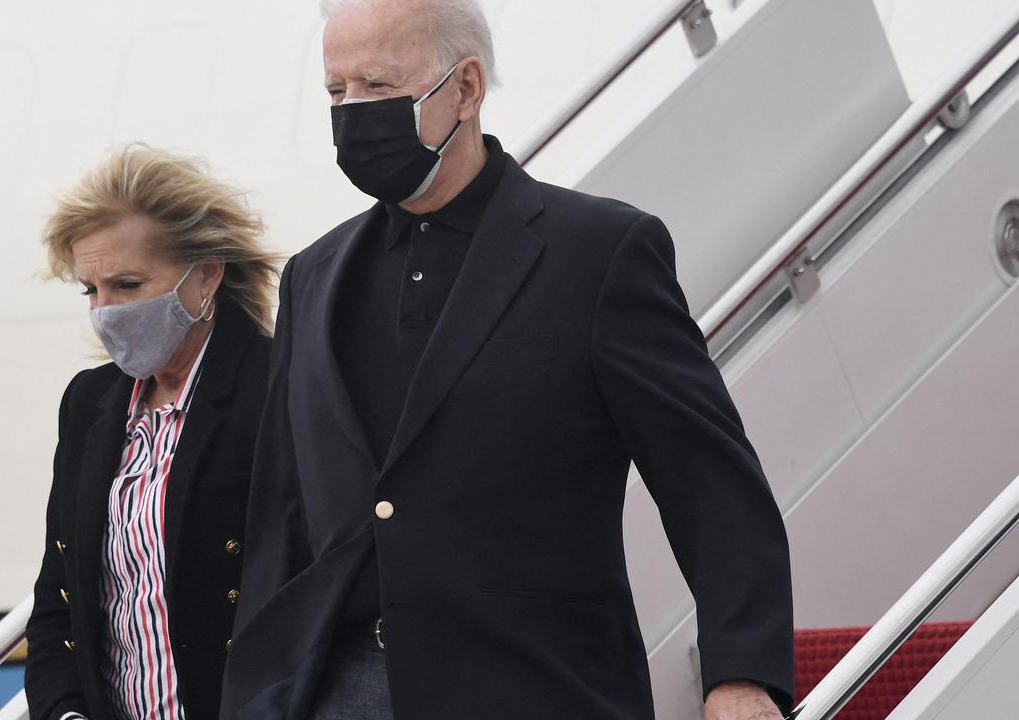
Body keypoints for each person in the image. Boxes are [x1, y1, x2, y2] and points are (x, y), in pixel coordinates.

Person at [221, 1, 793, 719]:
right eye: (337, 92)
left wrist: (741, 675)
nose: (352, 113)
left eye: (377, 85)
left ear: (465, 88)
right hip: (343, 690)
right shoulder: (313, 276)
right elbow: (282, 512)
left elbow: (709, 479)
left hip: (536, 685)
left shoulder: (598, 253)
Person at [25, 144, 278, 720]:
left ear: (207, 275)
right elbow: (58, 597)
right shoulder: (88, 405)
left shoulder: (278, 388)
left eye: (128, 285)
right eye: (91, 290)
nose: (105, 311)